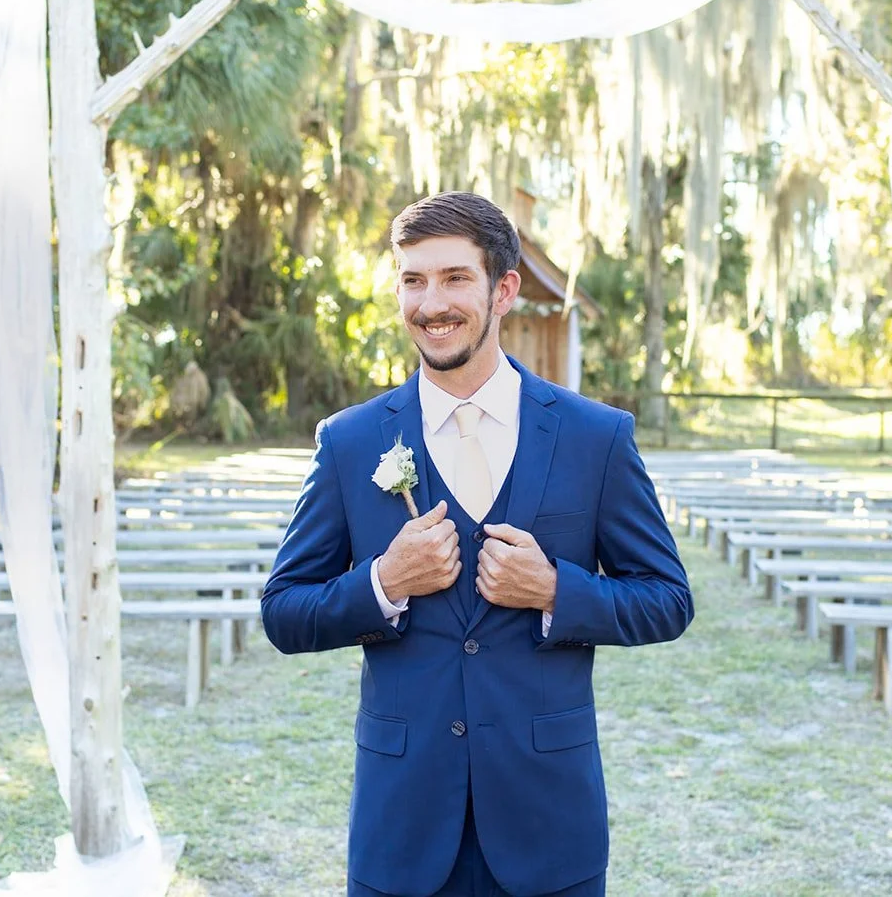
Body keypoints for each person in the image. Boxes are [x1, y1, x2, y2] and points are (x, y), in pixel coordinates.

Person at [262, 192, 693, 897]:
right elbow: (284, 612)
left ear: (505, 290)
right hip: (401, 828)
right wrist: (384, 582)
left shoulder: (596, 437)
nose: (431, 303)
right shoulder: (350, 441)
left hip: (549, 824)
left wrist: (557, 590)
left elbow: (668, 600)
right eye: (413, 280)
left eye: (455, 277)